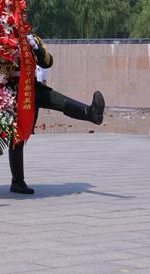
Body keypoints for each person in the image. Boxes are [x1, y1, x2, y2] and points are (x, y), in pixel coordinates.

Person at [8, 33, 105, 194]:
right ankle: (17, 181)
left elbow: (48, 62)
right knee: (17, 137)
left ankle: (91, 113)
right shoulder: (0, 34)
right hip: (9, 90)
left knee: (59, 101)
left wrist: (35, 47)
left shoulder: (31, 37)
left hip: (31, 89)